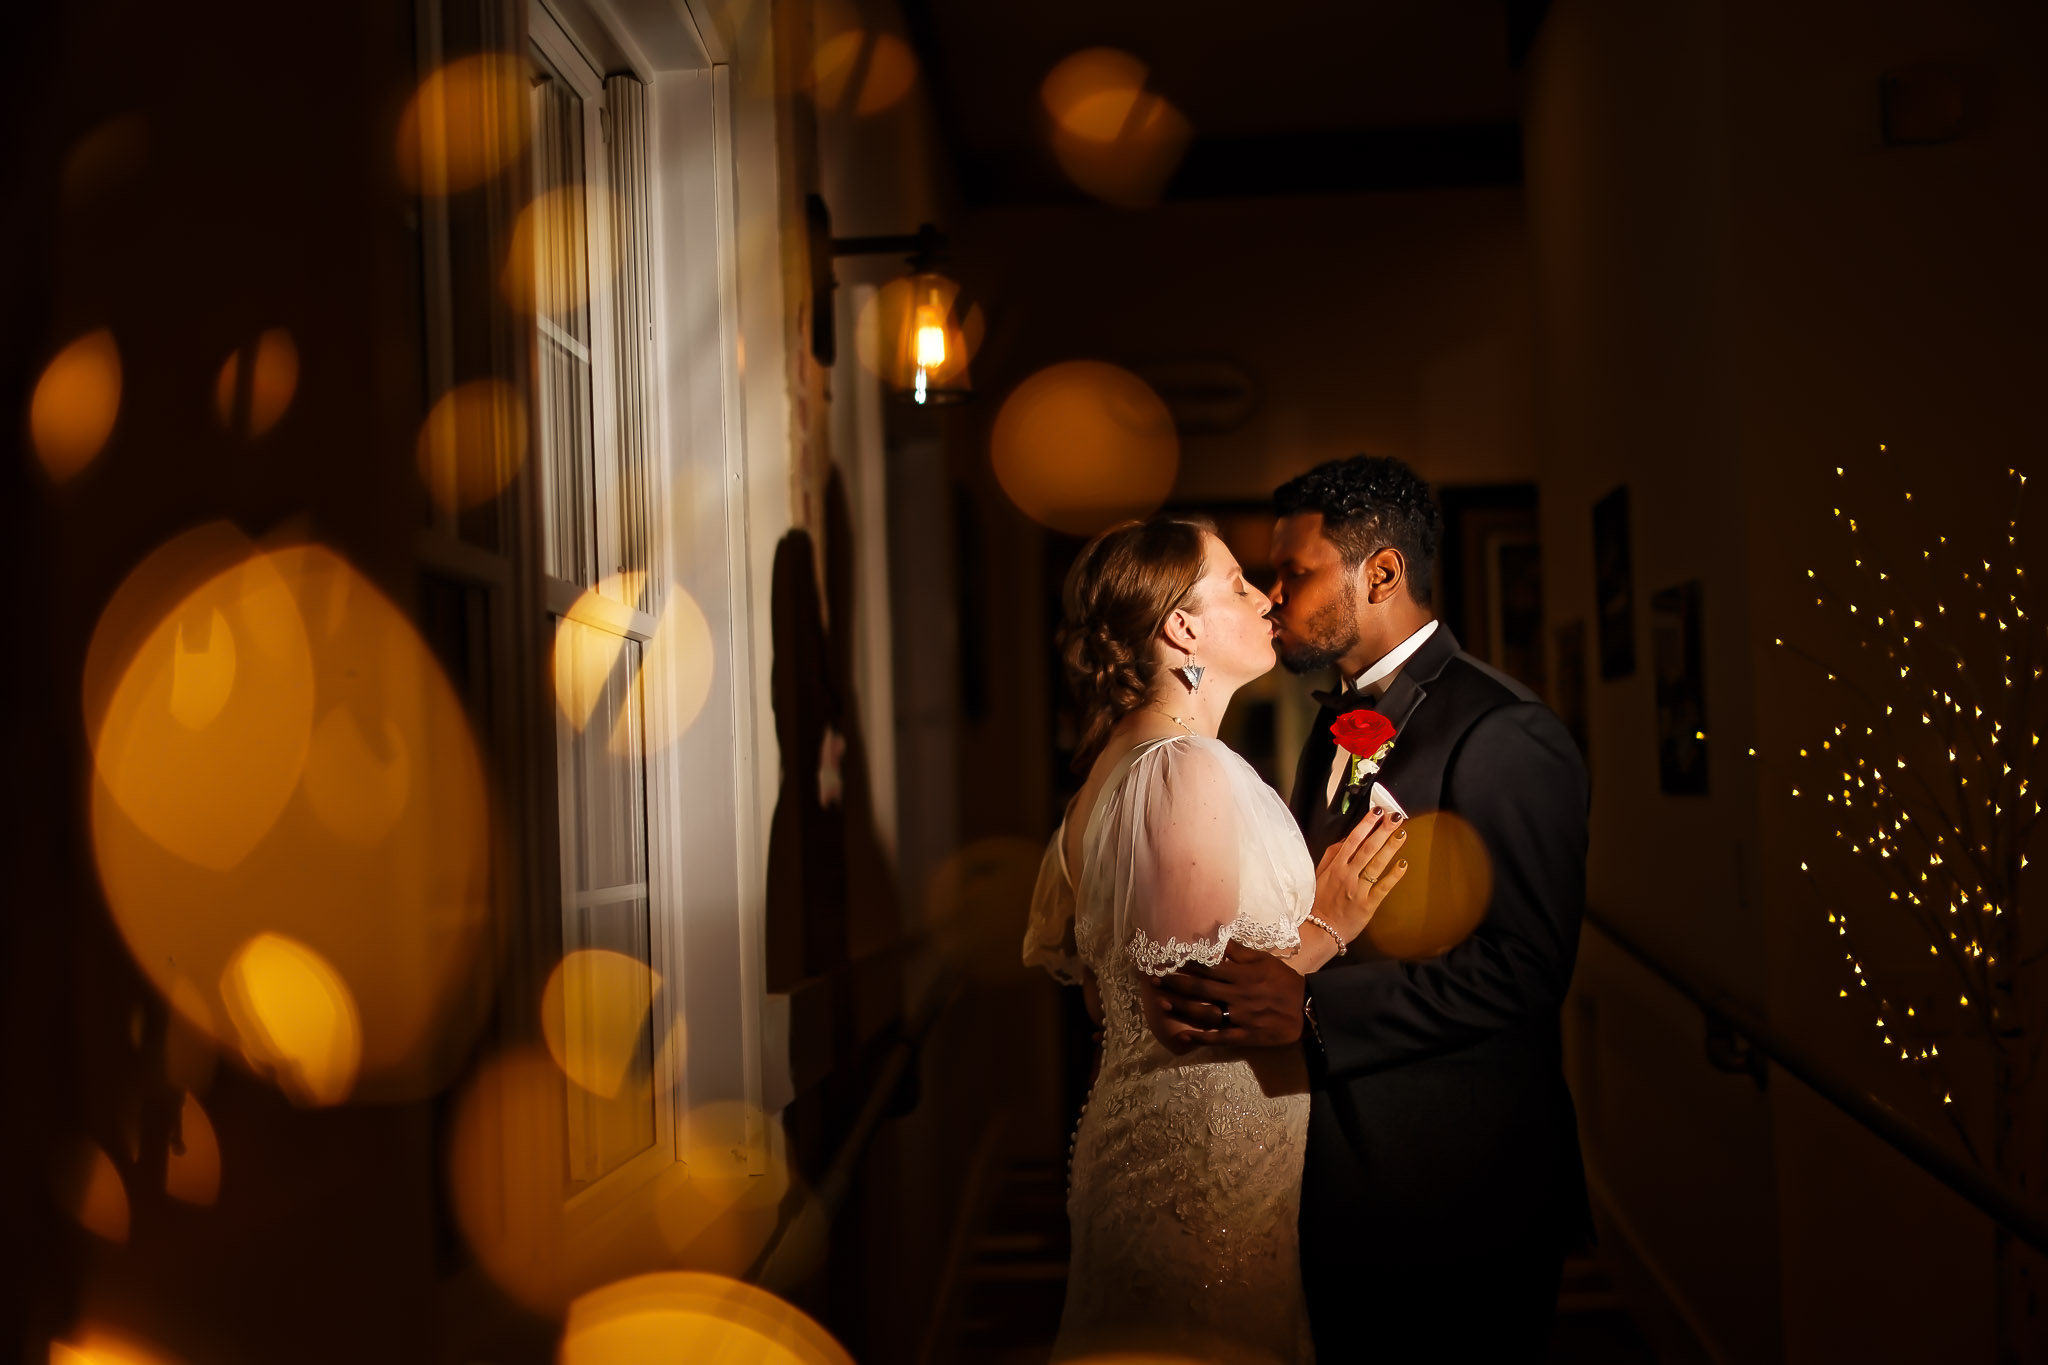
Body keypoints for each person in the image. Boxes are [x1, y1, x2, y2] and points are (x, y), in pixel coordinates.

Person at [1150, 456, 1594, 1361]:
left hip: (1462, 1190)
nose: (1275, 598)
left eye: (1296, 572)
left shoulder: (1503, 731)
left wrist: (1308, 1009)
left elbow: (1525, 969)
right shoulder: (1331, 723)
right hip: (1345, 1179)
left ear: (1380, 573)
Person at [1022, 516, 1408, 1365]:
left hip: (1213, 1159)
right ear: (1180, 627)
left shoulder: (1124, 763)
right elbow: (1191, 1009)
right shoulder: (1180, 767)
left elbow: (1106, 993)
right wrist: (1329, 922)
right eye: (1235, 583)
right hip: (1193, 1180)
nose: (1265, 595)